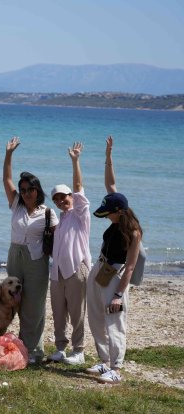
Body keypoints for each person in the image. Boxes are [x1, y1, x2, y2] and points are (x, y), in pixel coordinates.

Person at [85, 136, 142, 384]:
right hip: (100, 268)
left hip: (116, 275)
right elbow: (111, 183)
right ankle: (104, 361)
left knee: (115, 319)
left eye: (108, 214)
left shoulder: (133, 232)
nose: (106, 216)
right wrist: (108, 157)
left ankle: (116, 369)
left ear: (118, 212)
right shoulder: (117, 206)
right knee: (96, 317)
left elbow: (130, 266)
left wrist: (119, 293)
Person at [2, 136, 58, 363]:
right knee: (15, 300)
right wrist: (9, 154)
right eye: (23, 189)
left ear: (38, 190)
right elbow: (6, 178)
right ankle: (20, 344)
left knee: (34, 304)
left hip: (36, 259)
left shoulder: (48, 213)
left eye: (29, 189)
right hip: (15, 255)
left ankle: (32, 350)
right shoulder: (16, 205)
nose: (25, 193)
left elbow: (59, 240)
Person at [47, 142, 90, 365]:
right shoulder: (61, 219)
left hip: (76, 269)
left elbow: (79, 185)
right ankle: (61, 348)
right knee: (59, 312)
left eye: (64, 197)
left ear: (71, 196)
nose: (61, 201)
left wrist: (75, 161)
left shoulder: (80, 214)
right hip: (57, 272)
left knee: (77, 313)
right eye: (57, 199)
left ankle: (79, 351)